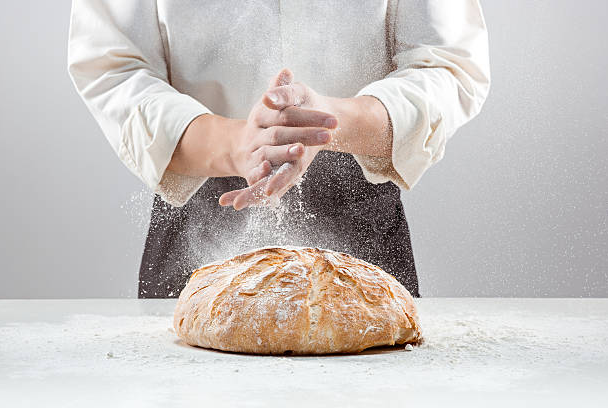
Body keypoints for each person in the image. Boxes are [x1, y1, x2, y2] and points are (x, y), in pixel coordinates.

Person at [68, 1, 490, 298]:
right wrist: (236, 144)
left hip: (358, 203)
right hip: (200, 198)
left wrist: (329, 121)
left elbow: (447, 63)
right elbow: (112, 66)